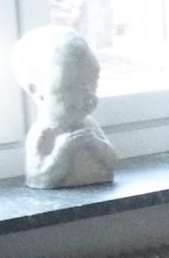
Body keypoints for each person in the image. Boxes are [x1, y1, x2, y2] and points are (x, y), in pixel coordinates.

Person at [13, 25, 118, 187]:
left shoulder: (88, 125)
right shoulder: (44, 132)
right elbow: (39, 176)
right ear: (36, 90)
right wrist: (64, 150)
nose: (88, 97)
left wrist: (95, 144)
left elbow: (112, 162)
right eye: (71, 90)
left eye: (93, 87)